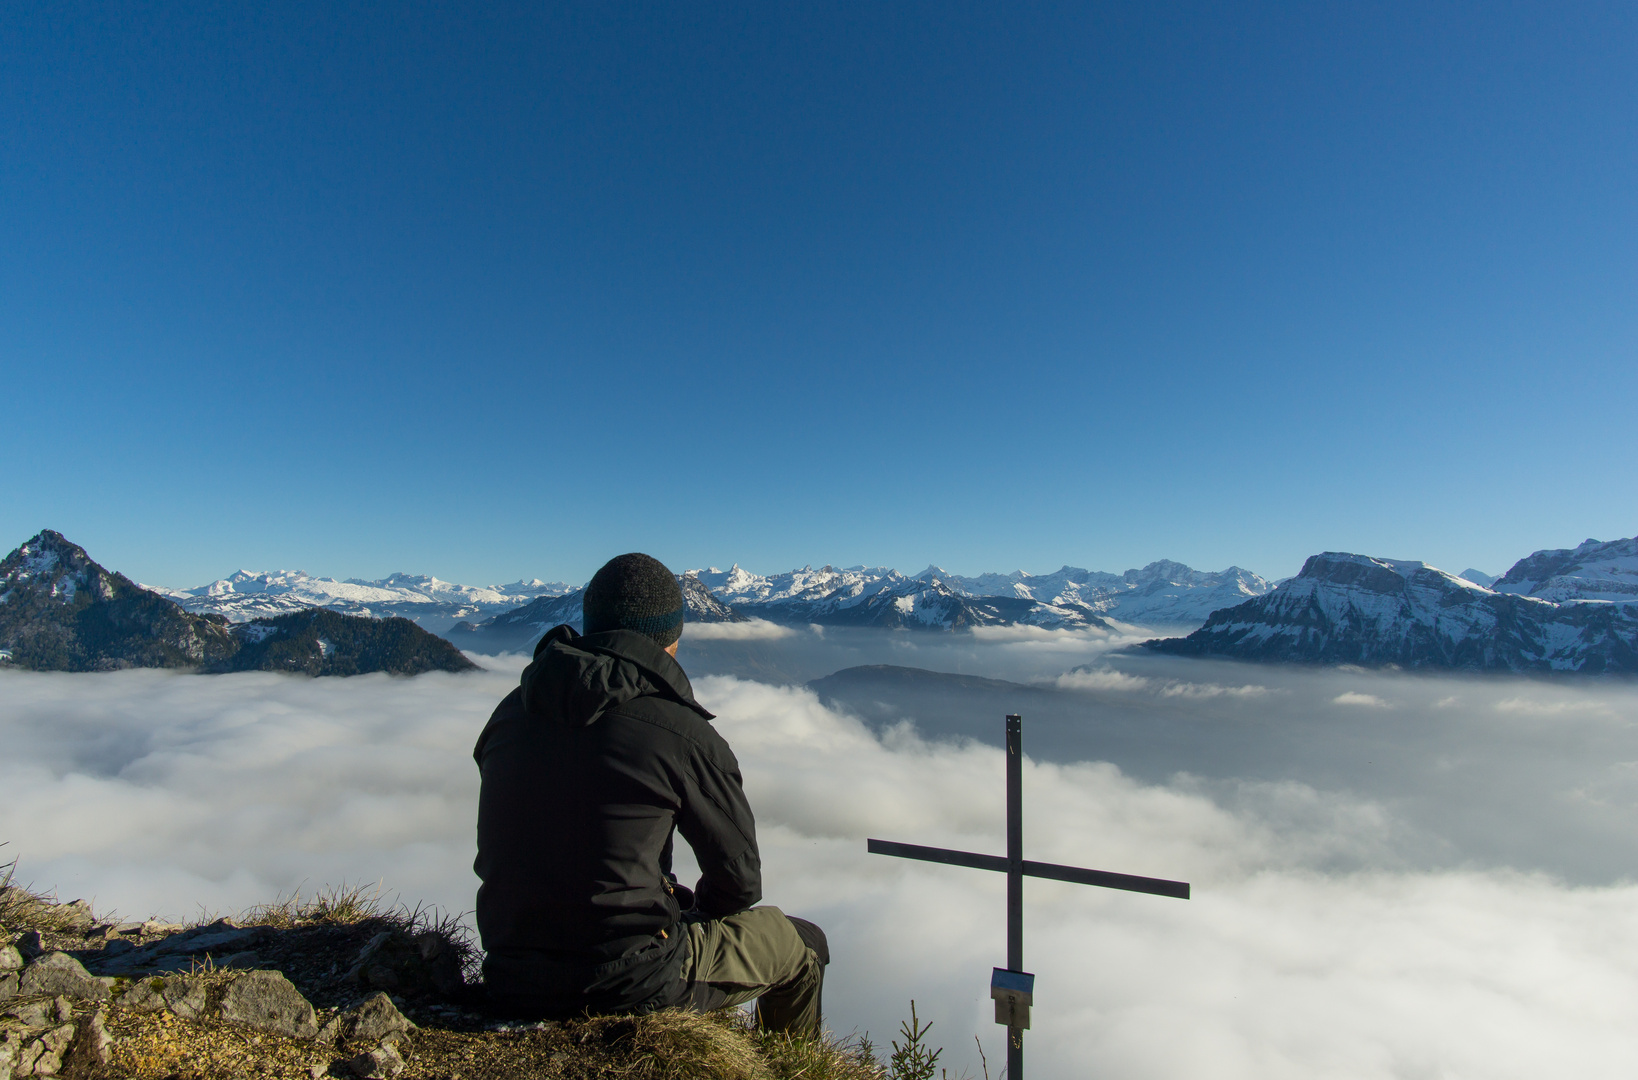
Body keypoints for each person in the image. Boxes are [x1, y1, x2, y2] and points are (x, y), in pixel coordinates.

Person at [473, 552, 828, 1033]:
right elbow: (740, 884)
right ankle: (788, 1068)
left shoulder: (510, 713)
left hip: (510, 970)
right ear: (671, 641)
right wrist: (688, 917)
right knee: (804, 944)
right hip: (629, 982)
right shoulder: (681, 732)